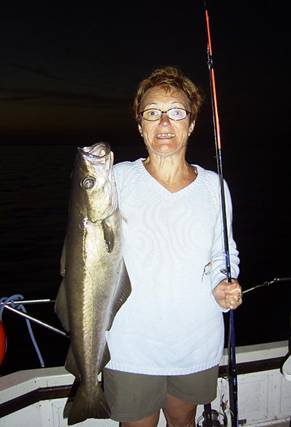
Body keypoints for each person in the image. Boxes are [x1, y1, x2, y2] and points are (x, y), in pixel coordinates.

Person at [103, 66, 242, 427]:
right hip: (131, 344)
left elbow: (222, 252)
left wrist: (224, 280)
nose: (164, 122)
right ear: (140, 125)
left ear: (192, 123)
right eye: (152, 113)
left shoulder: (214, 186)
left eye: (177, 112)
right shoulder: (116, 180)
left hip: (195, 340)